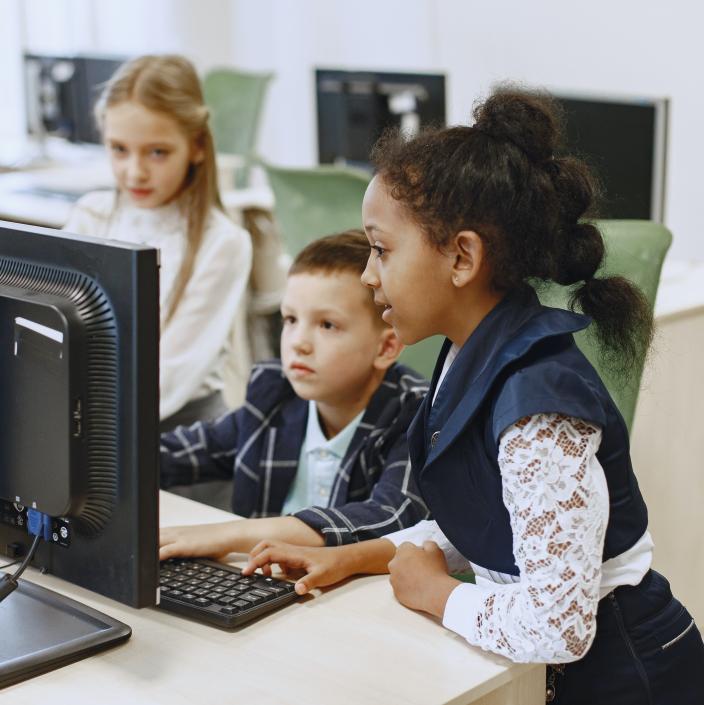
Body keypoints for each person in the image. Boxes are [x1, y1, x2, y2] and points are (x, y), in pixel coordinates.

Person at [242, 89, 704, 704]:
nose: (367, 274)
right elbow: (493, 522)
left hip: (628, 676)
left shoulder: (537, 407)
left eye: (381, 249)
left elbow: (558, 628)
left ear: (462, 257)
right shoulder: (471, 352)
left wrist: (432, 592)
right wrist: (360, 556)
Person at [159, 230, 429, 558]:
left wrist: (230, 534)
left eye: (327, 325)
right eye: (290, 319)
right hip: (268, 589)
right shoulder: (274, 397)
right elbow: (171, 455)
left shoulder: (415, 415)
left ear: (386, 346)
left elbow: (391, 517)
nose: (298, 342)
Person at [63, 55, 252, 430]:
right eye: (119, 149)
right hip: (95, 421)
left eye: (157, 152)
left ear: (196, 147)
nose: (135, 171)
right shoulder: (90, 216)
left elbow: (166, 381)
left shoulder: (222, 243)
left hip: (182, 439)